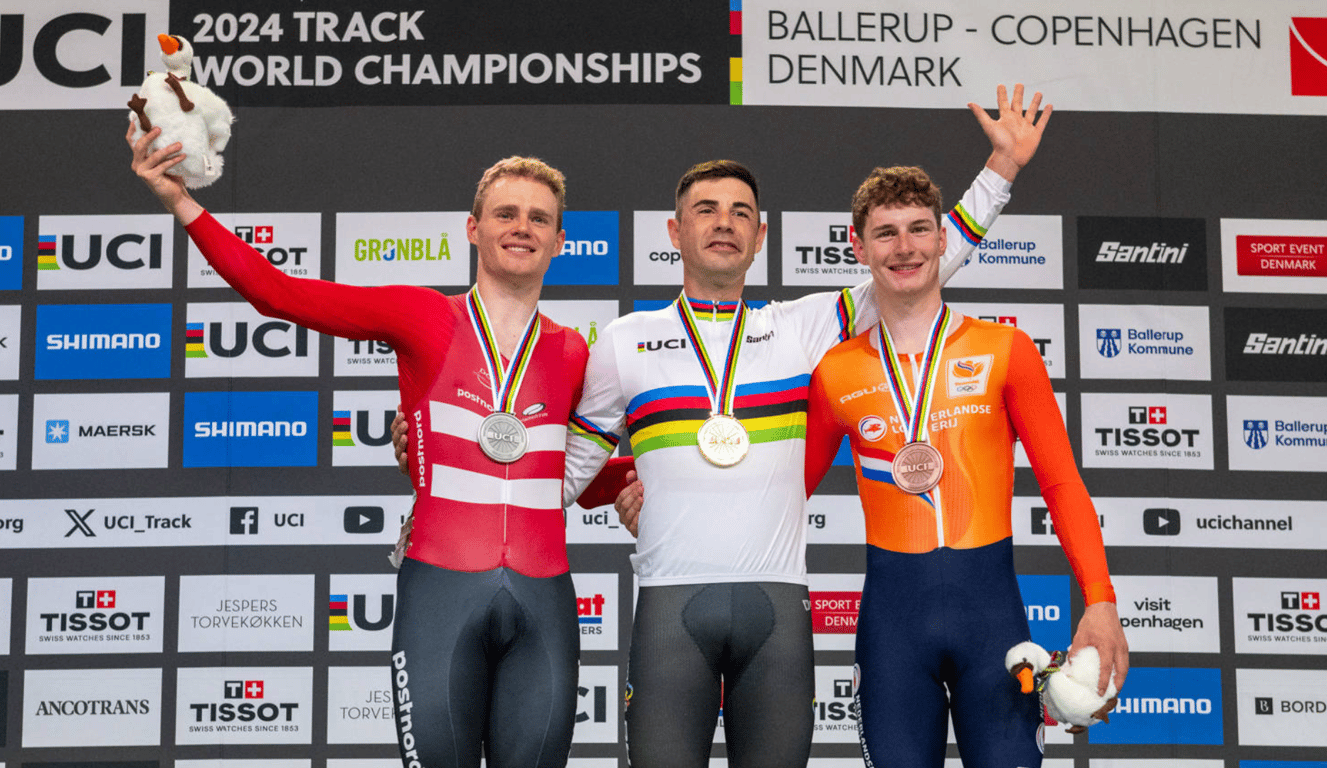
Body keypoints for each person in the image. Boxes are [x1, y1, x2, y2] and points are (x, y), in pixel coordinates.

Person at [559, 85, 1050, 768]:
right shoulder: (622, 341)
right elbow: (562, 473)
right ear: (675, 232)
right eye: (705, 210)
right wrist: (442, 488)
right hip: (670, 605)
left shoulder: (805, 328)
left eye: (741, 212)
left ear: (762, 236)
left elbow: (923, 260)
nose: (723, 223)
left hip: (777, 612)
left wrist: (1001, 170)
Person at [129, 122, 596, 768]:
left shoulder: (574, 351)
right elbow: (279, 294)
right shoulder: (423, 315)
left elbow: (572, 473)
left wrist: (644, 479)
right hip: (441, 590)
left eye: (539, 218)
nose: (523, 227)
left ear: (559, 241)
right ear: (472, 229)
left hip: (545, 599)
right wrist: (182, 202)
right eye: (506, 213)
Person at [800, 162, 1128, 768]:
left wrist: (1101, 602)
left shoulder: (1005, 349)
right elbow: (780, 493)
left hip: (993, 626)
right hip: (892, 631)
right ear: (857, 245)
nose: (905, 248)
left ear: (943, 239)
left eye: (920, 229)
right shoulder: (835, 372)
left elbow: (1060, 483)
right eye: (886, 232)